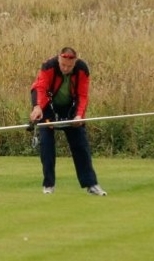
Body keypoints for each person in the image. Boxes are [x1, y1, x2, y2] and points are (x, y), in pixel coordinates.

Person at [28, 47, 107, 196]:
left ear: (75, 63)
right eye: (63, 65)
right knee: (46, 144)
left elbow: (82, 95)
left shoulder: (82, 69)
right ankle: (48, 185)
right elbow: (40, 88)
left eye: (69, 66)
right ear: (59, 59)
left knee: (80, 144)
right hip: (47, 106)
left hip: (70, 109)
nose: (65, 68)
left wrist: (79, 116)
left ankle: (91, 184)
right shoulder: (48, 66)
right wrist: (37, 107)